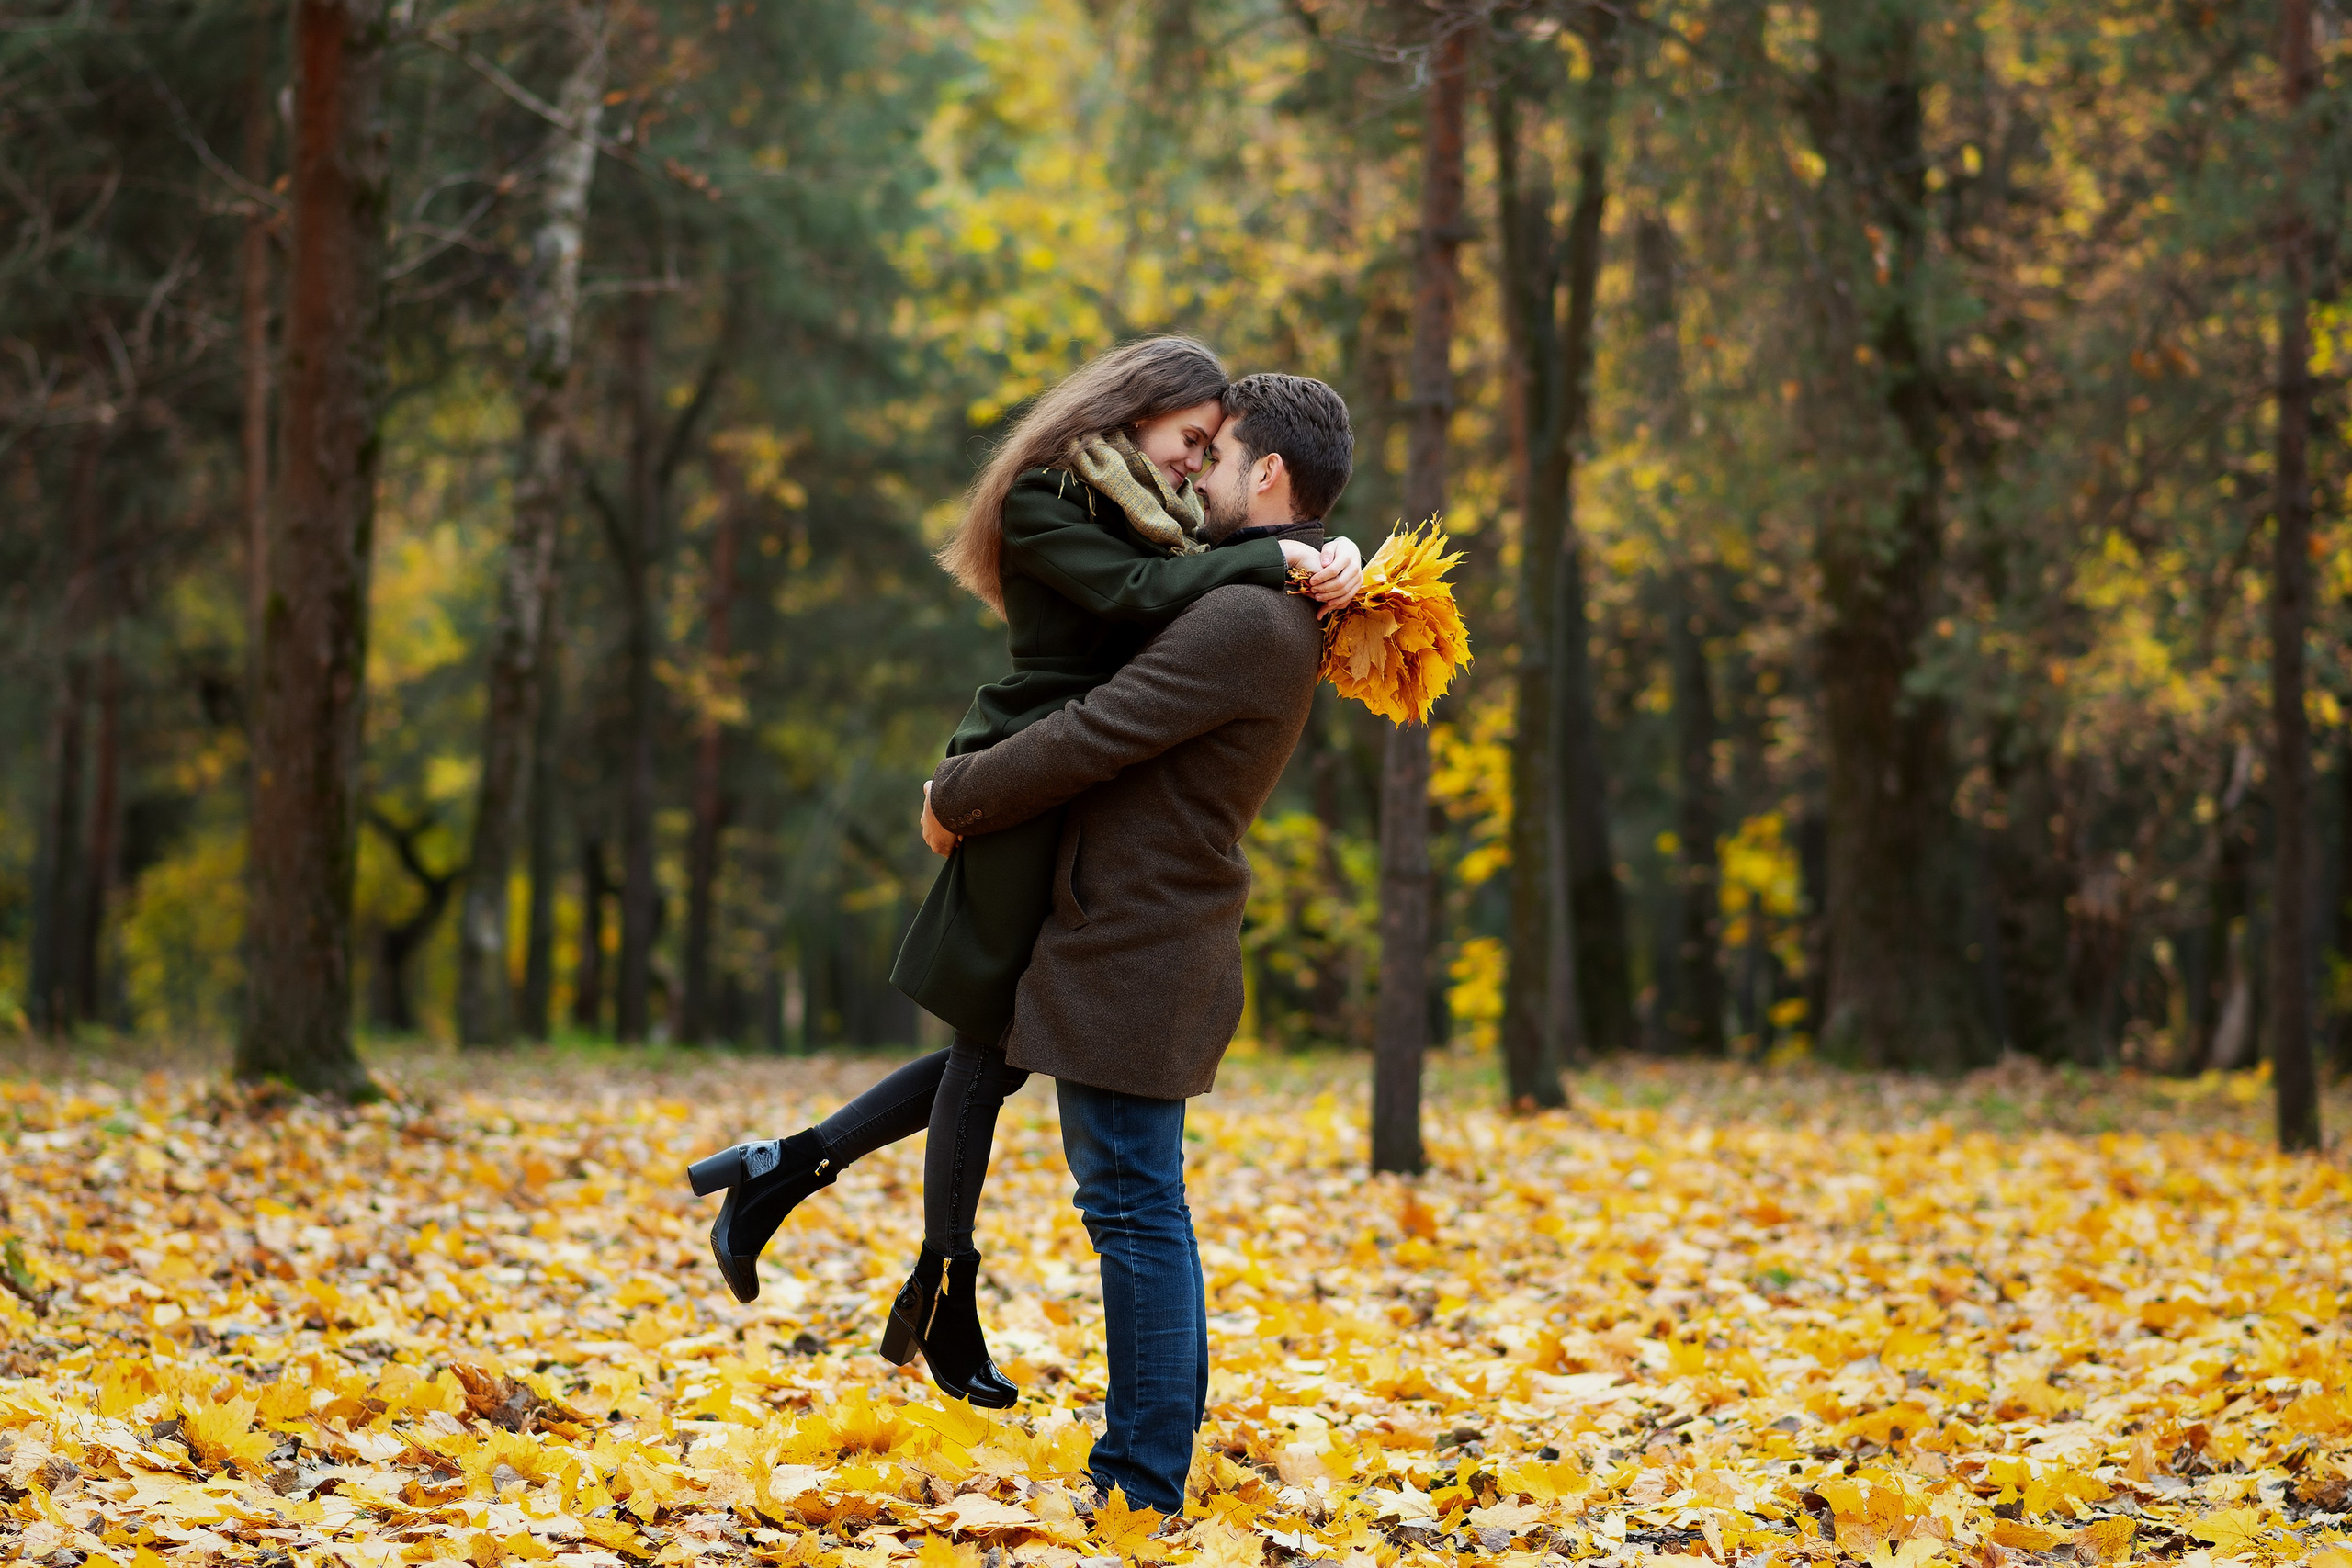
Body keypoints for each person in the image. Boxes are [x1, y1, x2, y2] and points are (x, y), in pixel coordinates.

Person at [683, 344, 1362, 1410]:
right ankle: (925, 1275)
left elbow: (1215, 581)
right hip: (1019, 774)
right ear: (1132, 417)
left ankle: (803, 1180)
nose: (1195, 465)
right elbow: (1147, 598)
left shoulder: (1176, 522)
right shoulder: (1055, 499)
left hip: (1064, 802)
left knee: (996, 1057)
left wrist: (1324, 548)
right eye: (1189, 441)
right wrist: (1282, 558)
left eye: (1211, 450)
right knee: (989, 1053)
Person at [917, 373, 1351, 1509]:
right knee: (1137, 1204)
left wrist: (955, 794)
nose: (1196, 475)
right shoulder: (1264, 601)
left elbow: (1096, 731)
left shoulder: (1246, 614)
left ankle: (1142, 1482)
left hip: (1138, 941)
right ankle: (1148, 1468)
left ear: (1265, 475)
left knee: (1131, 1208)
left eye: (1217, 457)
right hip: (1136, 930)